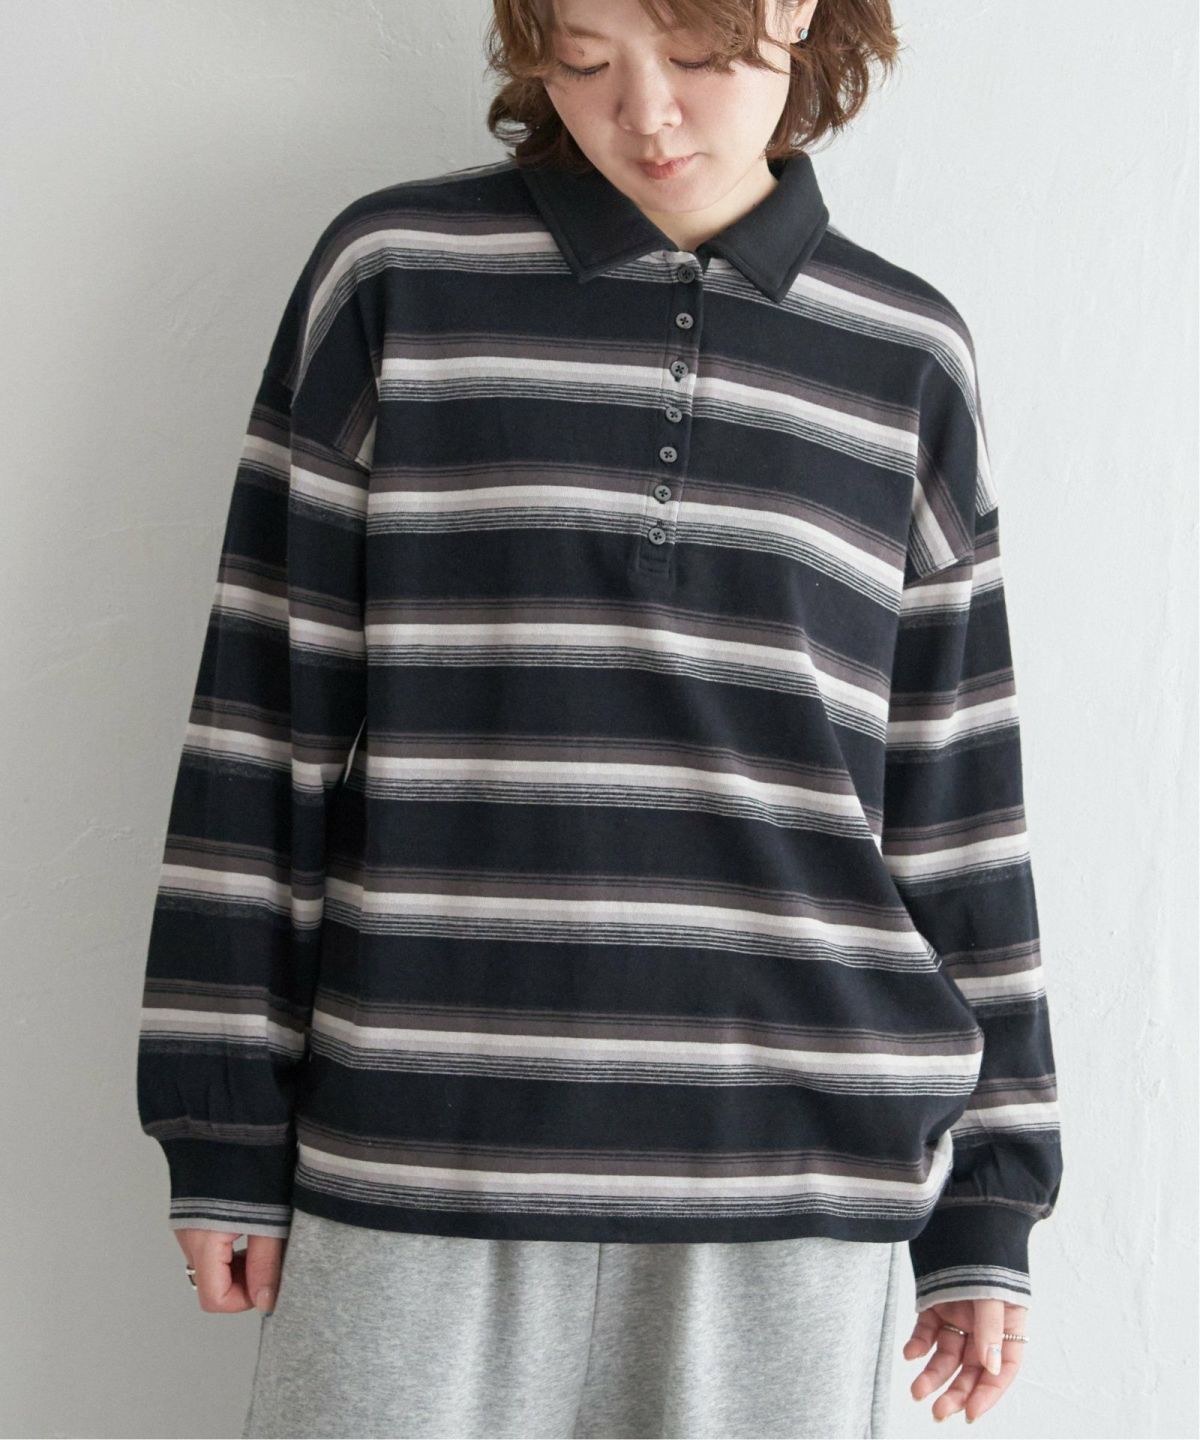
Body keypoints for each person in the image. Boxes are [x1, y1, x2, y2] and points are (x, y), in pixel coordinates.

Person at [136, 0, 1065, 1435]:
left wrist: (989, 1207)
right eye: (584, 60)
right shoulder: (397, 279)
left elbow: (959, 802)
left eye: (695, 55)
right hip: (419, 1144)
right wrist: (219, 1119)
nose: (646, 114)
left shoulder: (908, 357)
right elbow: (264, 715)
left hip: (789, 1175)